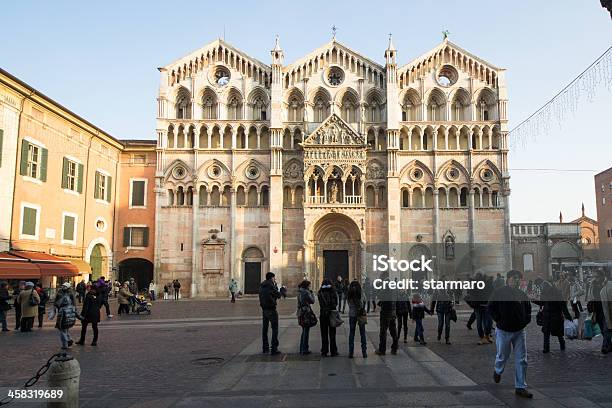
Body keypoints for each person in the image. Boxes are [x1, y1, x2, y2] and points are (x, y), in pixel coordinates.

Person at [488, 270, 533, 399]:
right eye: (514, 278)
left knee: (522, 359)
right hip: (503, 330)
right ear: (508, 279)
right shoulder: (500, 292)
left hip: (519, 330)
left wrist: (526, 319)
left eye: (519, 278)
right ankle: (498, 370)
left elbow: (528, 308)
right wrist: (499, 319)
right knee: (502, 355)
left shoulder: (521, 294)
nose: (517, 280)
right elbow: (490, 307)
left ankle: (520, 387)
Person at [532, 281, 572, 353]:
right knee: (549, 333)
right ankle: (547, 348)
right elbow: (543, 303)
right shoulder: (547, 293)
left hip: (555, 316)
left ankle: (557, 347)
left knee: (557, 334)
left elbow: (563, 306)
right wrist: (533, 300)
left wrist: (568, 316)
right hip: (549, 317)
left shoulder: (556, 293)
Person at [259, 272, 282, 355]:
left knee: (265, 329)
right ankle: (274, 348)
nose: (274, 279)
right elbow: (278, 295)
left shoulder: (262, 285)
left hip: (264, 309)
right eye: (274, 278)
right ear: (272, 278)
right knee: (275, 329)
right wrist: (276, 286)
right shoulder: (271, 285)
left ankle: (265, 348)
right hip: (271, 309)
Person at [54, 282, 79, 349]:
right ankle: (68, 340)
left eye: (64, 286)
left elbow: (56, 303)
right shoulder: (67, 293)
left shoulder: (65, 293)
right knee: (65, 329)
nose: (63, 287)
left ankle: (66, 343)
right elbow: (74, 303)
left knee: (62, 328)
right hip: (68, 312)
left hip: (64, 313)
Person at [588, 269, 608, 353]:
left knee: (605, 328)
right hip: (597, 309)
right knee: (602, 328)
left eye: (597, 276)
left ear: (602, 276)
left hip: (606, 309)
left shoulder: (607, 284)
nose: (595, 278)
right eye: (594, 276)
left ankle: (605, 346)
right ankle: (608, 343)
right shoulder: (593, 285)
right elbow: (590, 296)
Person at [376, 284, 399, 356]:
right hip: (392, 314)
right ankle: (394, 348)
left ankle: (382, 350)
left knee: (383, 332)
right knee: (393, 332)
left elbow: (379, 298)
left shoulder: (384, 291)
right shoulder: (394, 293)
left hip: (385, 314)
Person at [318, 278, 339, 357]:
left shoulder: (320, 292)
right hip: (331, 314)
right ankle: (333, 351)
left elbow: (321, 303)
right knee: (332, 333)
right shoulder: (332, 292)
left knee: (324, 333)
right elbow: (336, 303)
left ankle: (324, 350)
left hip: (323, 314)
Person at [347, 280, 367, 358]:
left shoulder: (350, 293)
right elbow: (364, 300)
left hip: (352, 314)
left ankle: (351, 352)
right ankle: (364, 352)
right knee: (362, 333)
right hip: (360, 314)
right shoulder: (361, 292)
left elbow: (348, 303)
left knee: (351, 333)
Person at [297, 280, 315, 355]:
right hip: (306, 312)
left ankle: (302, 348)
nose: (310, 287)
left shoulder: (300, 292)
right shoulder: (306, 292)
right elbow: (312, 301)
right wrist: (312, 294)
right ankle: (305, 349)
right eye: (309, 285)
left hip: (300, 312)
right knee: (306, 331)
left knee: (304, 330)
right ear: (307, 286)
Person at [600, 275, 612, 354]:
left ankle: (605, 346)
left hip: (606, 312)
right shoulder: (607, 288)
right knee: (607, 329)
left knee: (607, 329)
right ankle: (606, 346)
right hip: (608, 311)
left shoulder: (604, 289)